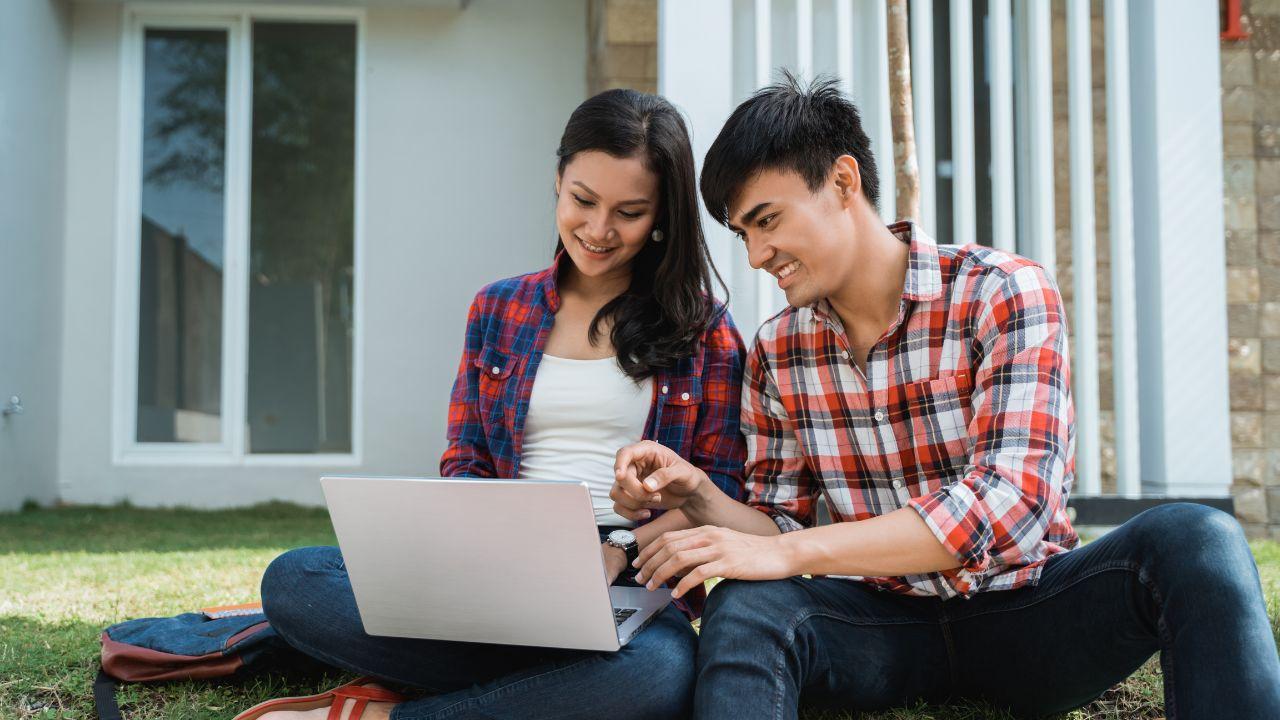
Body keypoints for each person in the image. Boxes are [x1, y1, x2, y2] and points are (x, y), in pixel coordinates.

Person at [610, 73, 1280, 720]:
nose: (756, 255)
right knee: (745, 607)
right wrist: (700, 496)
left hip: (1030, 614)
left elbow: (1010, 501)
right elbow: (779, 527)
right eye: (742, 234)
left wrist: (790, 552)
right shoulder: (778, 350)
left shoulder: (1004, 291)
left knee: (1199, 537)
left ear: (843, 181)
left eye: (766, 220)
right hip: (882, 629)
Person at [237, 89, 746, 720]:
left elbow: (718, 491)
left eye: (630, 212)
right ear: (558, 179)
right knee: (296, 580)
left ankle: (392, 713)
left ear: (663, 214)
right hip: (500, 562)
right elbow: (466, 460)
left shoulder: (706, 330)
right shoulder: (498, 308)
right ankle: (549, 691)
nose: (598, 230)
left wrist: (622, 552)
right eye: (583, 200)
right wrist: (486, 555)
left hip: (625, 579)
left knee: (663, 672)